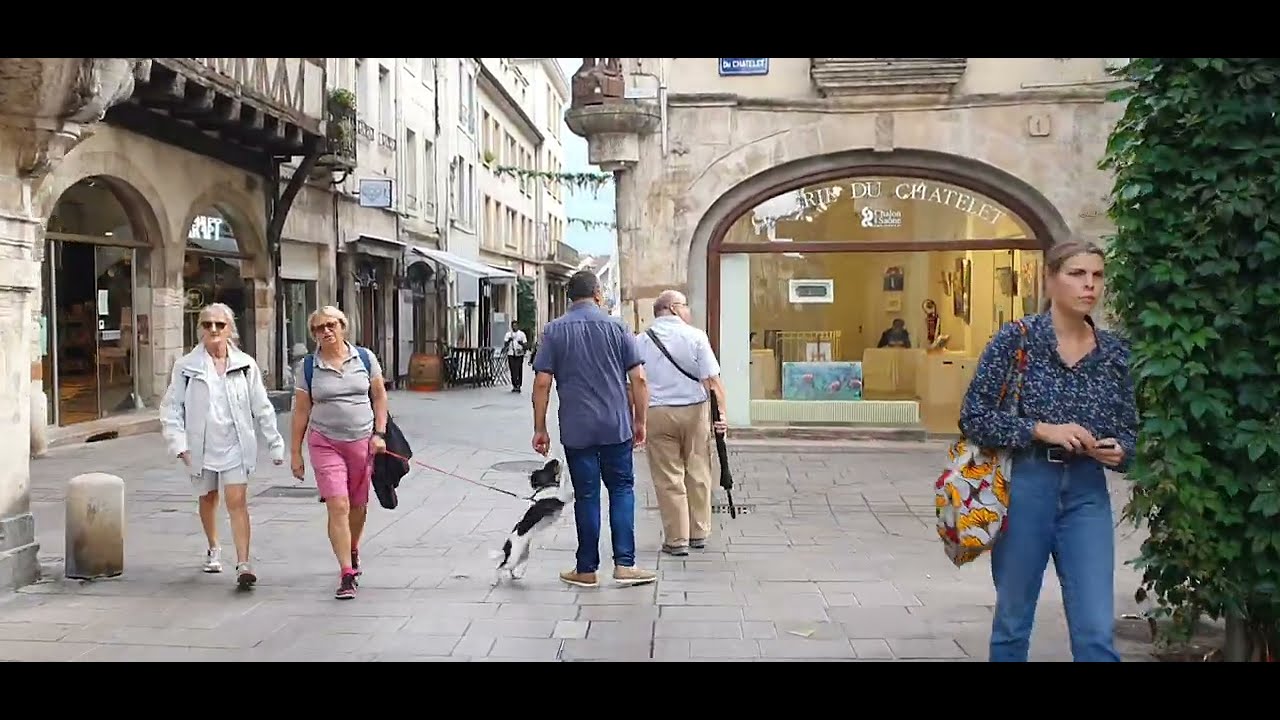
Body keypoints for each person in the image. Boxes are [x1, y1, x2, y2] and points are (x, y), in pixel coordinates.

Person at [958, 238, 1138, 663]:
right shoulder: (1016, 339)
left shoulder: (1115, 352)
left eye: (1097, 276)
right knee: (1013, 622)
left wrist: (1120, 450)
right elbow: (973, 416)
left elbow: (1129, 427)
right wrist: (1041, 430)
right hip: (1026, 485)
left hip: (1086, 491)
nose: (1089, 285)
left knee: (1096, 630)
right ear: (1050, 279)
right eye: (1077, 274)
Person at [531, 270, 657, 588]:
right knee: (621, 489)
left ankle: (586, 569)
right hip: (616, 424)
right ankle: (625, 565)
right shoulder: (618, 327)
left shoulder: (554, 331)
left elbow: (542, 382)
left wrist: (540, 428)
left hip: (577, 427)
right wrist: (640, 421)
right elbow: (639, 379)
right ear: (598, 294)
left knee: (587, 495)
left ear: (569, 298)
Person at [159, 302, 285, 588]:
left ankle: (243, 564)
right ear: (200, 329)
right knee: (208, 498)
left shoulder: (245, 364)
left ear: (230, 329)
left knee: (237, 501)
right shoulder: (186, 367)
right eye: (207, 324)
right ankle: (213, 546)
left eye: (220, 324)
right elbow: (171, 408)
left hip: (235, 444)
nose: (214, 329)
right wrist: (179, 444)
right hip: (200, 446)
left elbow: (262, 406)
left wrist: (274, 442)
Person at [289, 305, 390, 600]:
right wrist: (295, 452)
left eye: (331, 325)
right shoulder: (308, 366)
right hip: (325, 442)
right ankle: (347, 572)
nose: (326, 331)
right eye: (319, 328)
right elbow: (301, 410)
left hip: (361, 441)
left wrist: (379, 434)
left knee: (358, 505)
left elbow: (379, 396)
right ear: (314, 334)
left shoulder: (365, 358)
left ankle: (352, 547)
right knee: (338, 504)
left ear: (343, 327)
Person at [634, 290, 728, 556]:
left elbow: (636, 381)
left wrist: (637, 418)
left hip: (657, 412)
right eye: (685, 305)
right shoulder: (696, 336)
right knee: (698, 469)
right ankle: (699, 532)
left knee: (668, 477)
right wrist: (722, 415)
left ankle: (676, 539)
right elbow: (712, 380)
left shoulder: (641, 340)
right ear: (673, 308)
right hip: (694, 411)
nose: (688, 310)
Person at [502, 320, 529, 393]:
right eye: (513, 326)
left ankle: (519, 385)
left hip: (519, 354)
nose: (515, 327)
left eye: (516, 326)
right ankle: (514, 385)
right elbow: (505, 345)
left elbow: (526, 345)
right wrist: (509, 340)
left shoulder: (521, 334)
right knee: (512, 369)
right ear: (511, 327)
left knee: (518, 369)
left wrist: (521, 344)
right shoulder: (508, 334)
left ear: (518, 326)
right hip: (511, 354)